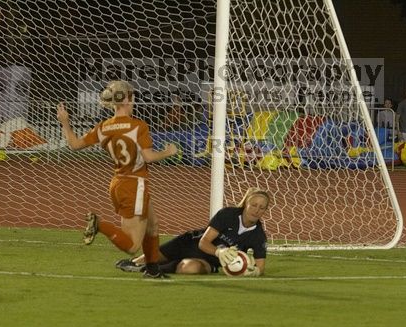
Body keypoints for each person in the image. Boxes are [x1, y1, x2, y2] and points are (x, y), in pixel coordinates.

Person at [56, 80, 178, 278]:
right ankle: (99, 224)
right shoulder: (138, 126)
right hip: (134, 184)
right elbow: (148, 157)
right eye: (133, 97)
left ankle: (153, 270)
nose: (134, 101)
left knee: (152, 225)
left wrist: (65, 122)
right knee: (132, 246)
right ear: (128, 99)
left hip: (119, 182)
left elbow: (75, 145)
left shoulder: (104, 127)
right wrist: (167, 152)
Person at [116, 187, 271, 277]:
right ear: (246, 204)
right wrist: (220, 252)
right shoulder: (227, 214)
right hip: (190, 243)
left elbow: (260, 266)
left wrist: (250, 270)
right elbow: (204, 242)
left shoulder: (258, 235)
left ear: (265, 211)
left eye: (262, 207)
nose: (257, 210)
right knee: (137, 262)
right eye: (254, 205)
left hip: (208, 261)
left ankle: (156, 269)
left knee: (190, 269)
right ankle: (140, 263)